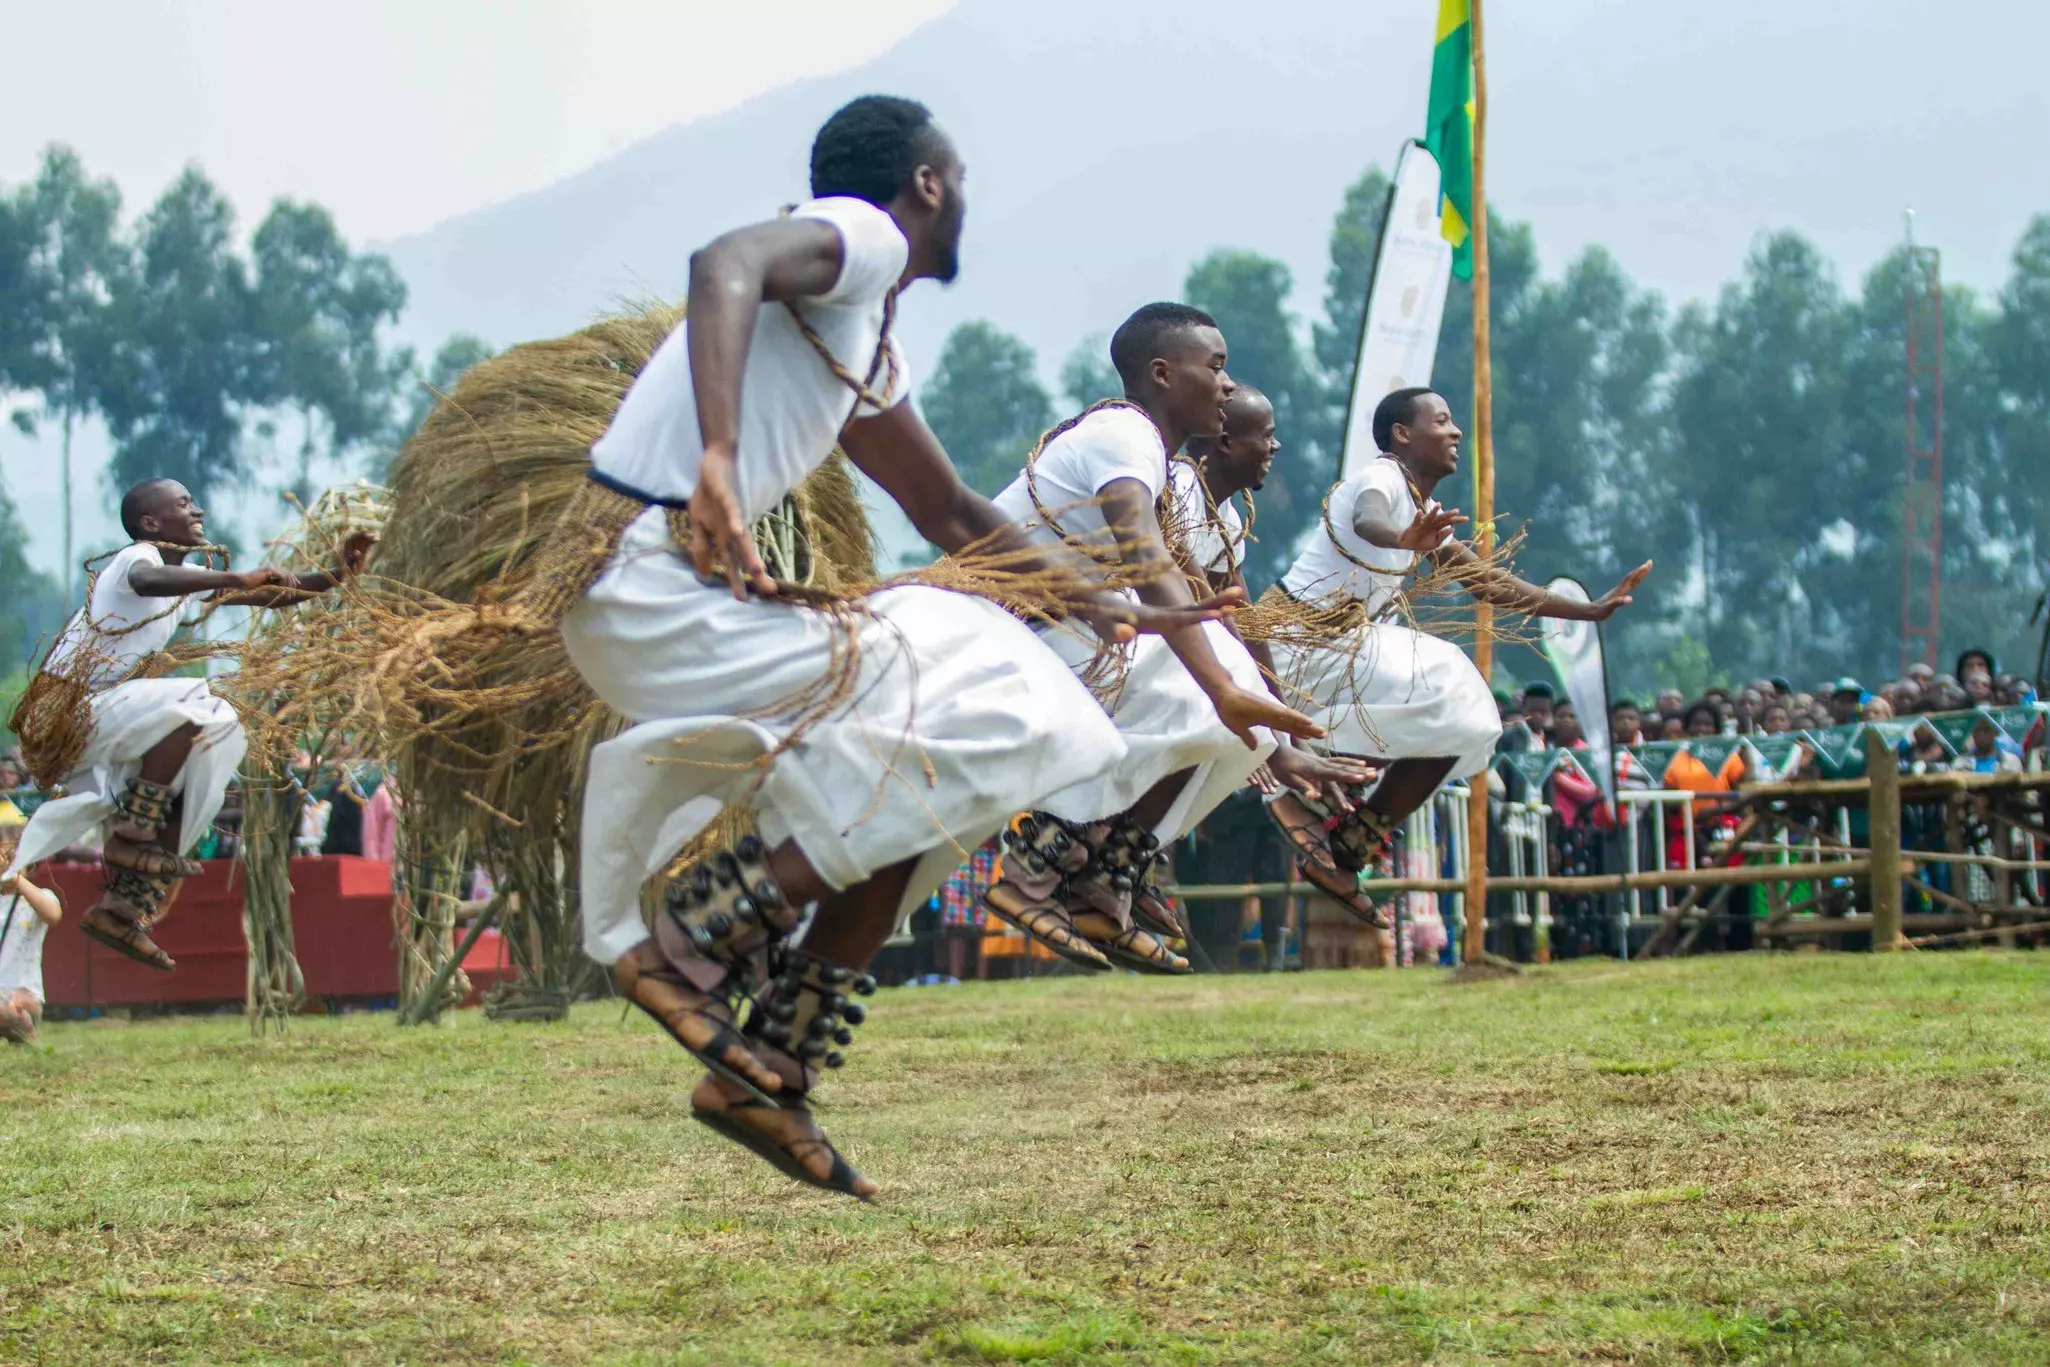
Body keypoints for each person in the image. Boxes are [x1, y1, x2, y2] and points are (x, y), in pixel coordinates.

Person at [553, 98, 1227, 1199]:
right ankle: (695, 940)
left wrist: (1094, 605)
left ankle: (774, 1069)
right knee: (1001, 700)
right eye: (957, 176)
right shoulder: (859, 240)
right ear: (925, 183)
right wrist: (720, 459)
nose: (964, 197)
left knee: (960, 761)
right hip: (644, 584)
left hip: (641, 603)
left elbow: (951, 506)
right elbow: (723, 259)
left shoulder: (857, 339)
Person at [980, 307, 1328, 970]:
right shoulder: (1121, 432)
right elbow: (1147, 560)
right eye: (1216, 367)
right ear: (1163, 374)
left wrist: (1275, 741)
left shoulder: (1165, 470)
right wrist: (1225, 684)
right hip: (992, 640)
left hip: (1055, 645)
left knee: (1238, 716)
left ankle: (1105, 880)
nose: (1228, 385)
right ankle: (1037, 857)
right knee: (1213, 675)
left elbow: (1208, 602)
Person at [1260, 386, 1649, 883]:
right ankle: (1294, 785)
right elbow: (1368, 517)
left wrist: (1588, 611)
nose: (1456, 431)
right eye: (1441, 421)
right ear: (1402, 434)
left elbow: (1490, 583)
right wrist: (1403, 539)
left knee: (1468, 724)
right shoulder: (1382, 477)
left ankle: (1355, 836)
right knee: (1454, 689)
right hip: (1293, 644)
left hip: (1337, 651)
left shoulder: (1423, 508)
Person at [4, 479, 370, 971]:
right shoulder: (134, 560)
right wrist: (237, 577)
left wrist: (338, 574)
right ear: (151, 524)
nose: (197, 509)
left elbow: (274, 593)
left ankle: (123, 907)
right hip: (78, 714)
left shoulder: (189, 584)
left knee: (221, 740)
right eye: (183, 504)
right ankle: (134, 830)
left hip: (115, 719)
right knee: (201, 702)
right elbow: (147, 584)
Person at [1170, 385, 1376, 918]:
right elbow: (1203, 613)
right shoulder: (1176, 489)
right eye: (1266, 434)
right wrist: (1258, 739)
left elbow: (1241, 623)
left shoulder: (1230, 520)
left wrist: (1279, 724)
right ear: (1223, 442)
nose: (1276, 446)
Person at [0, 845, 62, 1046]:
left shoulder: (39, 896)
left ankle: (24, 1031)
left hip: (25, 995)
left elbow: (53, 915)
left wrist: (18, 880)